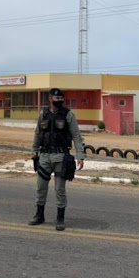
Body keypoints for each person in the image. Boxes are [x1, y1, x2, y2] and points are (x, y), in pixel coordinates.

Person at [29, 88, 85, 231]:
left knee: (60, 189)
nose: (60, 101)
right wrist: (34, 150)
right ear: (50, 99)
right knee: (41, 187)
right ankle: (39, 215)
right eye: (57, 98)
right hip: (44, 157)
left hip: (61, 157)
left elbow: (76, 136)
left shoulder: (68, 115)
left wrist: (80, 155)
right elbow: (37, 133)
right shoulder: (43, 114)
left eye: (61, 98)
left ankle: (60, 219)